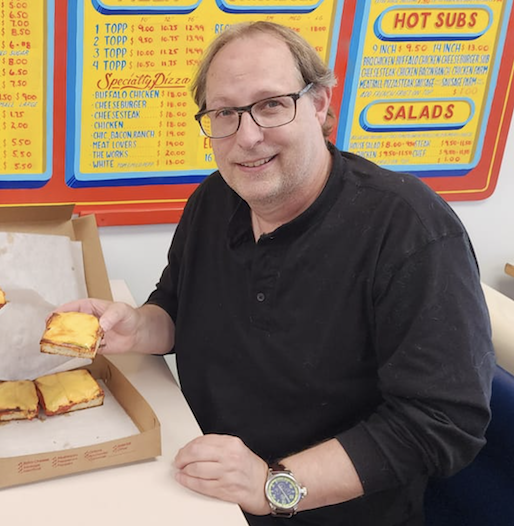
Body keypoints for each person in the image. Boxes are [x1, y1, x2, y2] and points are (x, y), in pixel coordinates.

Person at [60, 21, 494, 525]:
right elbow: (176, 307)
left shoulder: (409, 230)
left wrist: (272, 485)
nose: (247, 137)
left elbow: (442, 423)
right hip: (207, 484)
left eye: (270, 104)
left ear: (319, 104)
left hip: (327, 509)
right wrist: (137, 325)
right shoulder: (214, 199)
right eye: (225, 112)